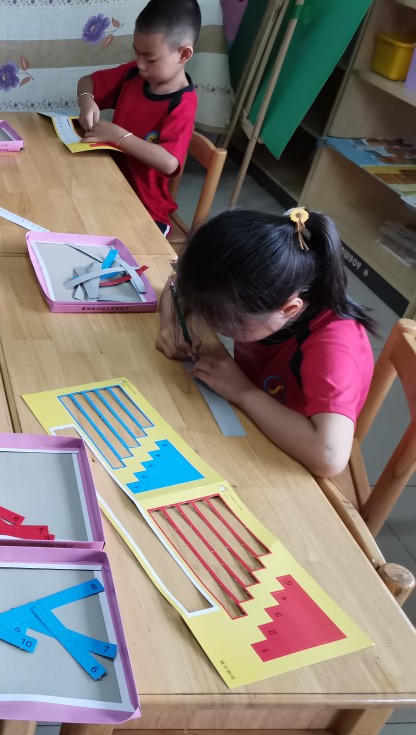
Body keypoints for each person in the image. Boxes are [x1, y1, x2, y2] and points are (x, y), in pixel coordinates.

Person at [156, 207, 377, 478]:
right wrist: (171, 323)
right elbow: (178, 283)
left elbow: (329, 457)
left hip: (294, 458)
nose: (214, 326)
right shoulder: (259, 284)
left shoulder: (335, 347)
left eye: (225, 324)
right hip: (252, 420)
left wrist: (243, 392)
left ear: (289, 309)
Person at [76, 0, 201, 234]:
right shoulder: (133, 74)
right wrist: (87, 100)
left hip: (146, 210)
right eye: (137, 53)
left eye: (150, 58)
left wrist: (119, 136)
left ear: (183, 54)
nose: (141, 64)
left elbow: (169, 162)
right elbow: (88, 81)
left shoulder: (183, 103)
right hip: (107, 186)